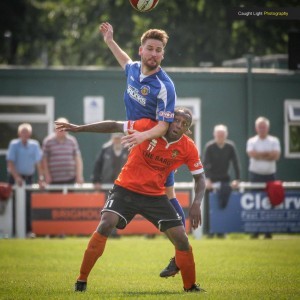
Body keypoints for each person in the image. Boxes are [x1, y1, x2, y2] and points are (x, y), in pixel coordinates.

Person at [55, 107, 206, 293]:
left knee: (182, 239)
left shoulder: (188, 147)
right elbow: (114, 125)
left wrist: (197, 203)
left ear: (188, 130)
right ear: (168, 120)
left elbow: (200, 178)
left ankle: (190, 287)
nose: (179, 125)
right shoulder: (147, 126)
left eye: (184, 124)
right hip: (126, 188)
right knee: (105, 224)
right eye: (176, 120)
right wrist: (79, 128)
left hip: (155, 196)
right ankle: (81, 280)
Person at [99, 22, 185, 277]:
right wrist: (110, 41)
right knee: (166, 196)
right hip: (138, 145)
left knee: (168, 196)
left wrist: (142, 136)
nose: (154, 53)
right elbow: (124, 61)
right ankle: (181, 252)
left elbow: (163, 126)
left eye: (159, 50)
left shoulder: (165, 86)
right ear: (141, 50)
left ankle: (181, 252)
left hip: (156, 147)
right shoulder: (134, 70)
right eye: (150, 48)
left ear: (163, 54)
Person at [203, 124, 241, 238]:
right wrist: (207, 179)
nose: (220, 136)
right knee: (209, 207)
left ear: (226, 135)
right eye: (218, 134)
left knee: (224, 204)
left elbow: (236, 163)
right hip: (211, 181)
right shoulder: (209, 147)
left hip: (225, 180)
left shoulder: (230, 146)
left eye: (222, 134)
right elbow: (205, 164)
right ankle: (209, 231)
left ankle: (222, 231)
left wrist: (237, 179)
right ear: (214, 135)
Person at [6, 123, 44, 234]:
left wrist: (41, 178)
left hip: (28, 179)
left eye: (27, 132)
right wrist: (17, 177)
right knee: (13, 205)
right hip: (14, 178)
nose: (25, 134)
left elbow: (38, 163)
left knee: (28, 204)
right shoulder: (14, 145)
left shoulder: (35, 145)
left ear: (30, 134)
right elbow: (10, 163)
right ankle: (12, 231)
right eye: (23, 132)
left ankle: (28, 231)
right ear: (19, 133)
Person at [247, 116, 281, 239]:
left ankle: (268, 232)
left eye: (264, 127)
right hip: (255, 176)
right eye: (260, 127)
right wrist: (268, 154)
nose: (262, 129)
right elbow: (252, 154)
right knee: (255, 204)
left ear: (268, 128)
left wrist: (259, 155)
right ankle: (255, 231)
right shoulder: (251, 141)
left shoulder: (274, 140)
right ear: (256, 128)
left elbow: (276, 156)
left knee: (269, 203)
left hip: (270, 176)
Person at [42, 117, 84, 185]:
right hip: (53, 180)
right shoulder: (48, 141)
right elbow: (44, 160)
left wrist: (79, 175)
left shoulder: (72, 141)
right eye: (60, 127)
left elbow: (78, 159)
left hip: (70, 179)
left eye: (64, 127)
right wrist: (46, 175)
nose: (62, 129)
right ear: (55, 128)